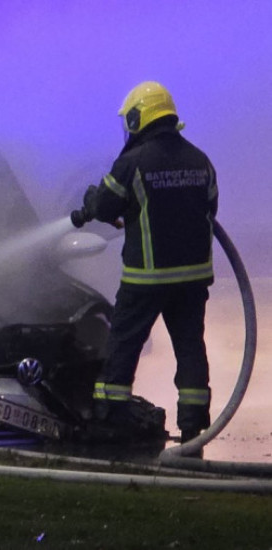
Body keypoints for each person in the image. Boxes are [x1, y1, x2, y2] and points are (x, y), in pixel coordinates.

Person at [72, 81, 217, 446]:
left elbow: (105, 205)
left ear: (139, 118)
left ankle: (110, 418)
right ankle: (192, 427)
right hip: (193, 279)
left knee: (123, 345)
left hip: (146, 280)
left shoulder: (133, 163)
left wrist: (90, 201)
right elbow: (210, 209)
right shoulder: (200, 160)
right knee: (190, 349)